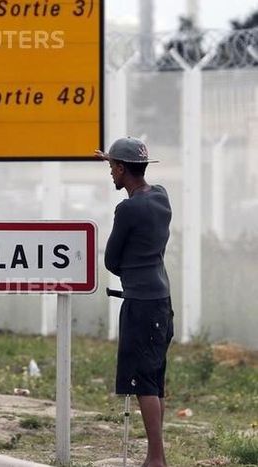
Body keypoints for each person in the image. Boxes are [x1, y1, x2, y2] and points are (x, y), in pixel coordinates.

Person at [97, 137, 174, 467]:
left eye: (113, 167)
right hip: (161, 298)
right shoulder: (160, 197)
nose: (110, 173)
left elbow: (112, 260)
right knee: (155, 378)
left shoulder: (127, 209)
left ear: (123, 169)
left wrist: (127, 263)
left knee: (142, 380)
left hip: (140, 302)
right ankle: (157, 455)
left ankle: (155, 458)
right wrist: (110, 156)